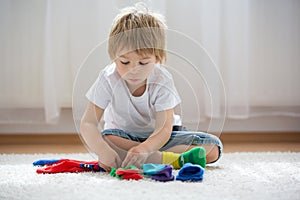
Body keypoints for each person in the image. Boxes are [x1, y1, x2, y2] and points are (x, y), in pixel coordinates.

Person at [80, 3, 223, 172]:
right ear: (113, 57)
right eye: (124, 62)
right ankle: (171, 159)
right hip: (122, 136)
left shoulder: (162, 79)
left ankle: (148, 157)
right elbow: (88, 123)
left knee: (213, 148)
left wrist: (145, 149)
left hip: (162, 137)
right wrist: (103, 151)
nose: (133, 70)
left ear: (157, 58)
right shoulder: (108, 78)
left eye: (143, 62)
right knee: (107, 139)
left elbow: (164, 128)